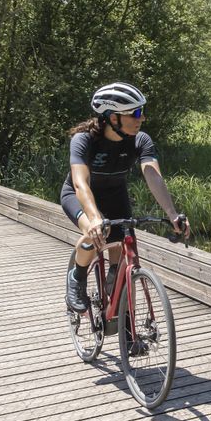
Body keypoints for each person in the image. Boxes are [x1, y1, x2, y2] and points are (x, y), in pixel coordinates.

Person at [62, 82, 190, 312]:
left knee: (122, 250)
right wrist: (94, 217)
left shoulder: (141, 140)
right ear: (112, 118)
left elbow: (153, 176)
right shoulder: (84, 140)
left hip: (115, 194)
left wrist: (172, 213)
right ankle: (77, 276)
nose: (141, 118)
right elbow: (80, 183)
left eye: (141, 111)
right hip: (79, 195)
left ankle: (119, 298)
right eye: (135, 113)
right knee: (97, 234)